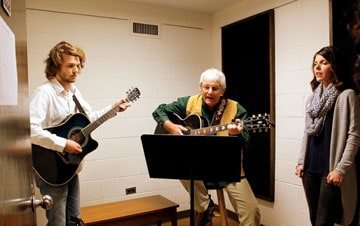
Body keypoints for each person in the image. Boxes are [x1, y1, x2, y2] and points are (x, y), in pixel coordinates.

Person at [30, 41, 131, 226]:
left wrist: (113, 108)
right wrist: (63, 144)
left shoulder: (73, 92)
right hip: (49, 166)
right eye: (70, 66)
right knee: (58, 221)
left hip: (69, 166)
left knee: (74, 219)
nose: (75, 70)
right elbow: (31, 130)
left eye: (78, 66)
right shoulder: (44, 93)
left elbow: (88, 118)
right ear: (55, 67)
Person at [152, 68, 261, 226]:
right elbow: (159, 111)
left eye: (215, 88)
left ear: (222, 90)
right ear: (201, 87)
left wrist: (234, 135)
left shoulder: (237, 109)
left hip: (227, 168)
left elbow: (246, 143)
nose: (210, 92)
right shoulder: (189, 102)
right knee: (179, 166)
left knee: (252, 211)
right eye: (206, 87)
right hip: (197, 166)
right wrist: (171, 127)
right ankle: (205, 206)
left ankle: (205, 207)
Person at [295, 46, 360, 226]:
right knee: (314, 217)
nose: (317, 67)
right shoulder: (312, 99)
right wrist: (301, 161)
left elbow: (354, 136)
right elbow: (306, 132)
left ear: (334, 67)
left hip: (330, 168)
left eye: (323, 63)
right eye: (315, 63)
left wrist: (340, 169)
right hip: (310, 167)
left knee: (324, 221)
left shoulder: (347, 96)